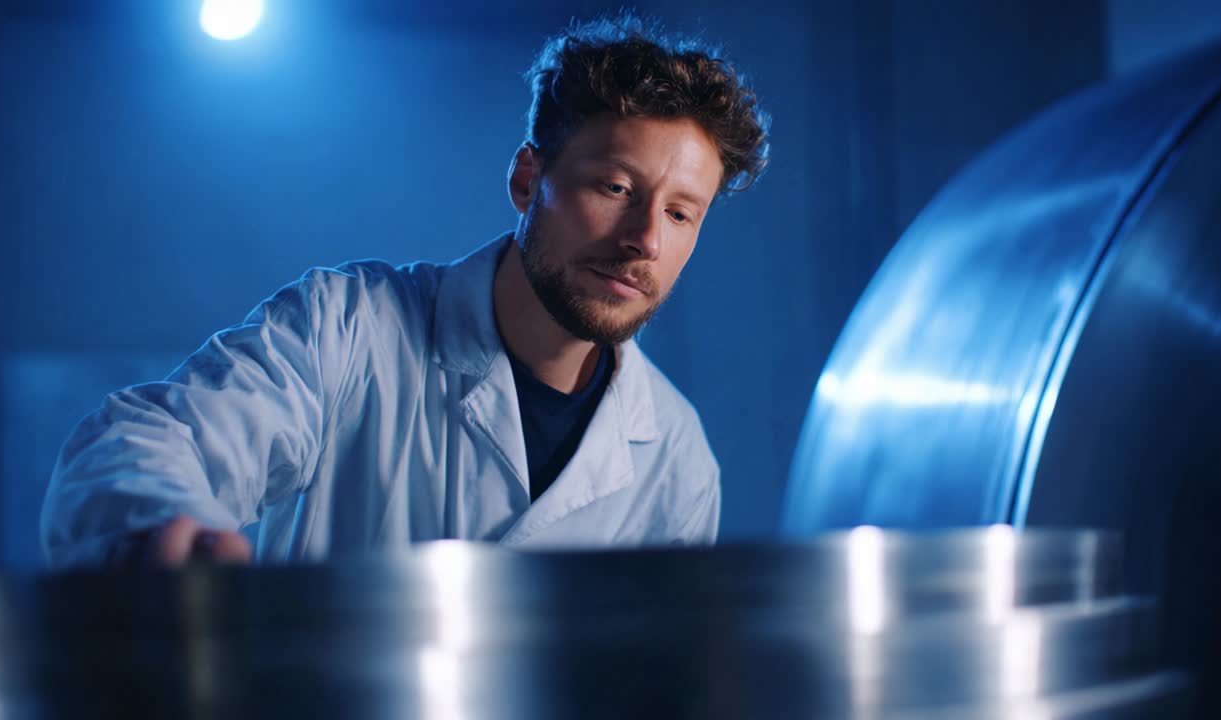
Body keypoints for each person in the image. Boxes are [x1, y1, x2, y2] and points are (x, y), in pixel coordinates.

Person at [39, 14, 771, 568]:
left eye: (681, 214)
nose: (645, 239)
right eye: (615, 187)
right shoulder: (348, 327)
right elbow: (149, 439)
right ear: (527, 180)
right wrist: (167, 529)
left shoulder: (675, 455)